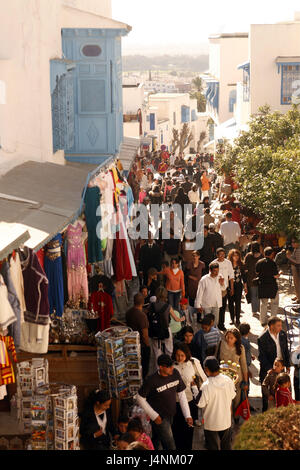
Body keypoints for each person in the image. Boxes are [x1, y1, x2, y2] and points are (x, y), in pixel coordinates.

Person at [136, 354, 193, 450]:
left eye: (172, 365)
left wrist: (187, 415)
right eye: (169, 367)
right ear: (161, 367)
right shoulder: (151, 380)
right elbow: (140, 398)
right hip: (160, 417)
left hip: (171, 414)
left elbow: (181, 394)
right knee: (170, 445)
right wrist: (154, 416)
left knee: (158, 439)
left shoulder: (175, 373)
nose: (172, 368)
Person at [172, 343, 207, 450]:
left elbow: (204, 379)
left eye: (182, 355)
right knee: (176, 431)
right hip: (175, 403)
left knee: (188, 430)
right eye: (178, 355)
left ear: (186, 355)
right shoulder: (171, 365)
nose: (180, 358)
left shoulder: (193, 363)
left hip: (190, 401)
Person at [197, 356, 236, 451]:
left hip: (211, 423)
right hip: (225, 421)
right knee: (226, 446)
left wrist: (194, 389)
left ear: (206, 369)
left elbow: (200, 404)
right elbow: (233, 396)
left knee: (212, 447)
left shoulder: (206, 386)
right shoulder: (228, 380)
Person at [257, 316, 291, 412]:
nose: (281, 327)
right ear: (271, 326)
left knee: (282, 394)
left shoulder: (283, 334)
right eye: (278, 325)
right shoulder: (262, 338)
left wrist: (287, 365)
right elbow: (261, 356)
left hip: (281, 368)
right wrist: (269, 368)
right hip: (269, 370)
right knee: (267, 397)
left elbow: (285, 351)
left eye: (281, 325)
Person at [147, 287, 184, 370]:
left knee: (157, 351)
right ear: (165, 295)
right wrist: (182, 319)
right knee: (169, 350)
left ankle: (158, 369)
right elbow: (176, 319)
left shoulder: (151, 305)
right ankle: (168, 367)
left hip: (154, 331)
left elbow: (147, 315)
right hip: (165, 330)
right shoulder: (168, 306)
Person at [217, 328, 248, 416]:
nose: (229, 339)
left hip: (237, 378)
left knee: (236, 399)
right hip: (223, 377)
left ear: (236, 339)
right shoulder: (220, 344)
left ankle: (236, 416)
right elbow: (216, 358)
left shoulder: (241, 348)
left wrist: (245, 381)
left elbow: (244, 365)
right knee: (225, 400)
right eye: (228, 337)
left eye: (232, 338)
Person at [125, 293, 150, 379]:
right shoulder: (142, 316)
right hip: (141, 345)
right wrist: (147, 345)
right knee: (144, 367)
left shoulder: (128, 312)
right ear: (143, 302)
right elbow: (145, 334)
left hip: (131, 343)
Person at [255, 247, 280, 326]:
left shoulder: (259, 262)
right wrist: (280, 273)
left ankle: (262, 321)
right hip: (272, 286)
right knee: (274, 304)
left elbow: (256, 272)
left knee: (264, 304)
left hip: (262, 285)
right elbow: (276, 276)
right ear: (272, 254)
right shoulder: (273, 263)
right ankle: (273, 321)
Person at [212, 247, 234, 331]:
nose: (221, 256)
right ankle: (214, 325)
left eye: (223, 254)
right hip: (215, 289)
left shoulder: (228, 263)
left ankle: (221, 324)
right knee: (216, 307)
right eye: (219, 254)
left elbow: (231, 275)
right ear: (217, 255)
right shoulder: (213, 263)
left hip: (224, 289)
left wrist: (232, 288)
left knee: (223, 307)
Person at [227, 249, 247, 327]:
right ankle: (232, 319)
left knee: (238, 303)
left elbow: (244, 277)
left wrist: (245, 287)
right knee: (230, 303)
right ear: (231, 256)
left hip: (238, 286)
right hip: (229, 286)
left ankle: (238, 319)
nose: (236, 257)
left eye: (237, 255)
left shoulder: (241, 265)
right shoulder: (228, 264)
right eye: (234, 255)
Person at [244, 242, 264, 318]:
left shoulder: (248, 256)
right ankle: (258, 308)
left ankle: (254, 310)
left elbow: (245, 267)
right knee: (258, 294)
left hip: (251, 278)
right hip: (260, 278)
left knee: (253, 295)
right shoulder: (261, 256)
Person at [238, 323, 254, 391]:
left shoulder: (239, 340)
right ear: (248, 332)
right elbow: (245, 358)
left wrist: (251, 356)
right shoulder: (245, 342)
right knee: (245, 384)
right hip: (244, 366)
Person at [285, 237, 300, 304]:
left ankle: (299, 299)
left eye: (294, 242)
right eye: (292, 242)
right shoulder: (296, 249)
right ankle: (297, 296)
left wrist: (289, 257)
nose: (292, 243)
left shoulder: (298, 250)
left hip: (297, 270)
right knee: (296, 284)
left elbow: (298, 262)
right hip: (295, 269)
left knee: (297, 284)